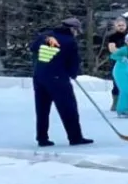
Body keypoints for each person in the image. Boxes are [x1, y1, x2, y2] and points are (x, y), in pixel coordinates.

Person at [30, 17, 93, 147]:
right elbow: (74, 61)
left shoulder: (45, 35)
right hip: (58, 78)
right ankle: (75, 137)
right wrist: (73, 74)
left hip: (39, 76)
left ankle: (42, 138)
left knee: (42, 109)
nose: (77, 33)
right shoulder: (70, 41)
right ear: (72, 29)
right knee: (68, 108)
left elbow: (33, 48)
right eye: (77, 30)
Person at [104, 17, 128, 111]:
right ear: (115, 26)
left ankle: (126, 102)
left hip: (127, 64)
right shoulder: (113, 37)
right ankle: (116, 103)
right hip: (116, 62)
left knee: (127, 83)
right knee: (117, 83)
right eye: (119, 25)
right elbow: (112, 49)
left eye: (123, 25)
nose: (121, 27)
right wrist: (123, 53)